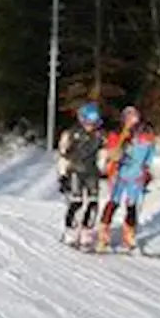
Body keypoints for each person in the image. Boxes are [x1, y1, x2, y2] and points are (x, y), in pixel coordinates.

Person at [97, 104, 156, 253]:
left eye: (134, 118)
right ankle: (104, 231)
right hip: (119, 174)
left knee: (132, 205)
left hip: (136, 175)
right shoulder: (117, 134)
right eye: (128, 118)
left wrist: (147, 169)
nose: (132, 122)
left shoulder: (145, 134)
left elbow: (149, 152)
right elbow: (112, 153)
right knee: (114, 202)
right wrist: (118, 149)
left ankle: (128, 234)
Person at [56, 102, 106, 247]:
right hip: (75, 171)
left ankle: (86, 231)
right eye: (88, 121)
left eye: (94, 121)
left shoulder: (99, 135)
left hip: (92, 172)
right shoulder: (71, 134)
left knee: (93, 202)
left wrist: (103, 167)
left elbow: (103, 152)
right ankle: (70, 231)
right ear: (82, 119)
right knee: (76, 201)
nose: (91, 125)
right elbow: (63, 156)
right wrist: (63, 175)